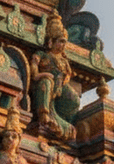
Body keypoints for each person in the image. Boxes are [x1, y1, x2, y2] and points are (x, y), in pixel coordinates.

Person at [30, 11, 80, 140]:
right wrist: (39, 75)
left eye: (65, 42)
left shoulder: (64, 60)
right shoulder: (42, 55)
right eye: (60, 41)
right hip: (43, 85)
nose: (63, 45)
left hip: (59, 88)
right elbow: (34, 65)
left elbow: (67, 74)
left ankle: (63, 119)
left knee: (75, 99)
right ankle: (44, 114)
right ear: (51, 42)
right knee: (46, 82)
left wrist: (64, 79)